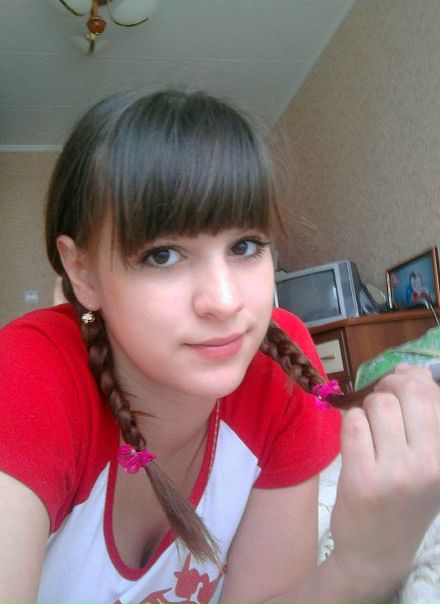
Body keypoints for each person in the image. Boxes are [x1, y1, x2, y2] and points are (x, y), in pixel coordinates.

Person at [0, 89, 439, 604]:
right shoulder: (28, 375)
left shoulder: (278, 366)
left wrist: (369, 560)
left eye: (244, 247)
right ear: (82, 272)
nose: (225, 302)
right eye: (163, 255)